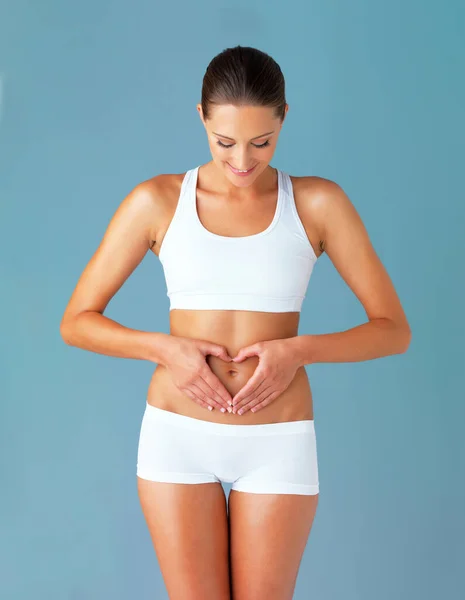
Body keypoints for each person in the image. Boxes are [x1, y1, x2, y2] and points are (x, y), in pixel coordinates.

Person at [60, 45, 411, 600]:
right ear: (200, 115)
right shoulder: (157, 201)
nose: (243, 161)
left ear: (285, 119)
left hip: (277, 439)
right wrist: (165, 350)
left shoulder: (317, 203)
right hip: (177, 435)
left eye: (262, 142)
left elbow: (393, 329)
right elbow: (76, 322)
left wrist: (297, 351)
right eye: (225, 142)